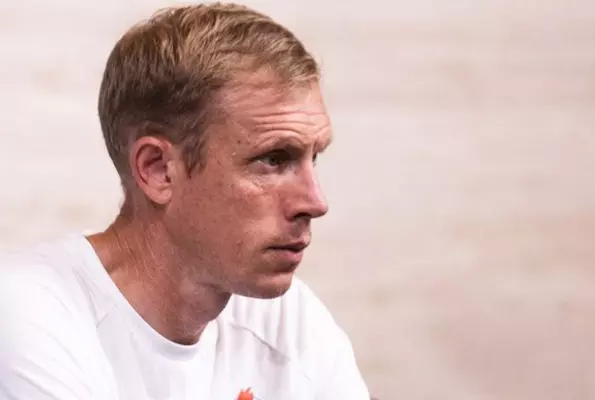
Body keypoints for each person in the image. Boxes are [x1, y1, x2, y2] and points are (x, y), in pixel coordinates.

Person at [0, 3, 372, 400]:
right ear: (158, 169)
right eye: (273, 160)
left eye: (314, 157)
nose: (315, 202)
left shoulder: (291, 324)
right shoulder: (27, 314)